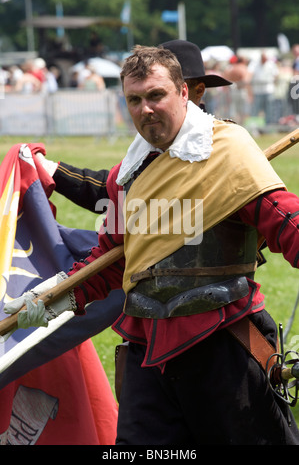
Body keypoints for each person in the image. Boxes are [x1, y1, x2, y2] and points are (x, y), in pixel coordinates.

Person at [5, 45, 299, 446]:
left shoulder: (228, 151)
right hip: (147, 349)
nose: (146, 109)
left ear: (184, 93)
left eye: (156, 95)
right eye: (135, 99)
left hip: (223, 341)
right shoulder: (125, 176)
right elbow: (110, 261)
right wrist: (53, 298)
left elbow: (289, 225)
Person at [35, 40, 231, 212]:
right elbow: (110, 191)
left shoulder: (223, 144)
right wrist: (50, 169)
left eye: (157, 93)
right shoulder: (149, 145)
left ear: (190, 91)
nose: (148, 108)